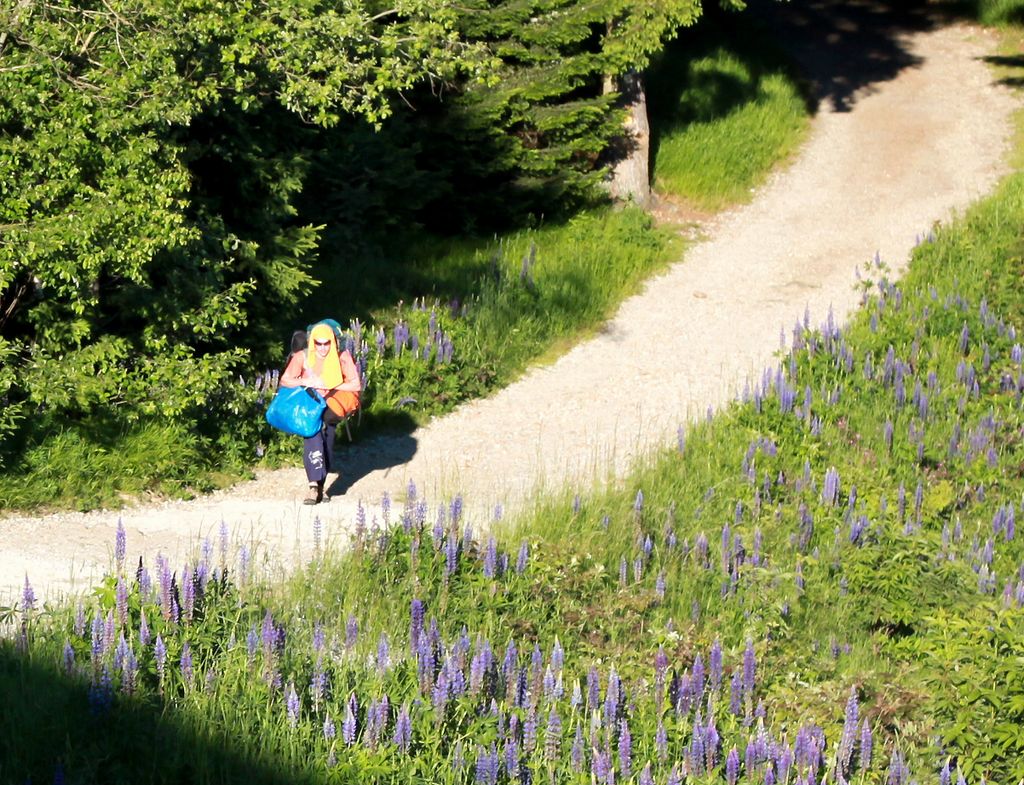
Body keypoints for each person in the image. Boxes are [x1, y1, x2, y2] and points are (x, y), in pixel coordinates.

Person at [279, 323, 362, 504]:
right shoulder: (303, 357)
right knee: (312, 437)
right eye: (319, 343)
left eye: (327, 343)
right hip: (310, 407)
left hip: (332, 408)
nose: (323, 348)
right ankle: (313, 486)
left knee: (328, 444)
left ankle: (321, 487)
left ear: (333, 342)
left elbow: (356, 385)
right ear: (312, 343)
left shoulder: (343, 358)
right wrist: (306, 380)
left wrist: (331, 385)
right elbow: (285, 380)